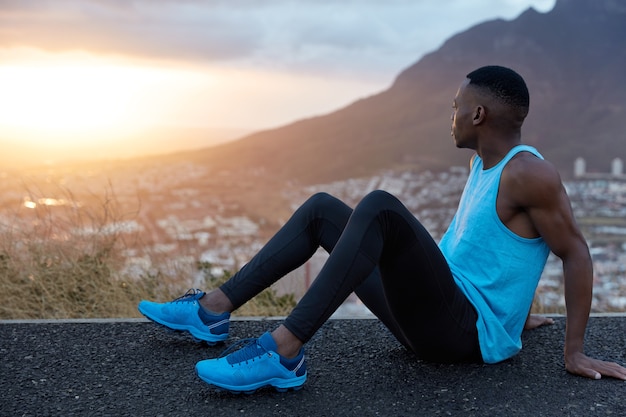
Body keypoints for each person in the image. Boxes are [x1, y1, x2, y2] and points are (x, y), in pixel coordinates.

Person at [138, 65, 626, 393]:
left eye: (456, 105)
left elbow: (576, 252)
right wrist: (515, 311)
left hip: (463, 337)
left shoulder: (529, 174)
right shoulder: (484, 162)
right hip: (441, 317)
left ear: (479, 114)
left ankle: (283, 352)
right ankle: (212, 311)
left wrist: (574, 351)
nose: (450, 116)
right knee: (324, 209)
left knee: (381, 208)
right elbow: (501, 252)